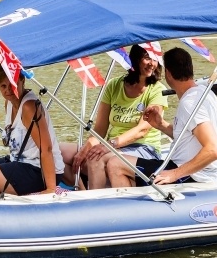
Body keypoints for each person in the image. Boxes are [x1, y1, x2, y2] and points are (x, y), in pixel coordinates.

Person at [104, 47, 217, 187]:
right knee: (124, 167)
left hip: (193, 175)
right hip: (189, 169)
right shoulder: (204, 92)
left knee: (115, 164)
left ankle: (126, 208)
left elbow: (213, 150)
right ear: (191, 69)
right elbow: (188, 136)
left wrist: (175, 174)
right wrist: (161, 125)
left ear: (168, 73)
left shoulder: (189, 102)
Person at [68, 44, 168, 189]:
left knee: (95, 158)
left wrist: (109, 145)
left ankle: (97, 204)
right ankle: (82, 192)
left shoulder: (158, 89)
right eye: (147, 58)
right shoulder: (114, 85)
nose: (152, 64)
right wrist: (85, 148)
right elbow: (100, 129)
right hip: (113, 146)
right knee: (61, 153)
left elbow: (142, 130)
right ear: (136, 58)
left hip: (144, 148)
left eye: (155, 59)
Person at [0, 64, 70, 196]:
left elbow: (46, 148)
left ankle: (6, 212)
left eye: (12, 85)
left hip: (38, 170)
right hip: (18, 161)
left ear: (22, 81)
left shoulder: (29, 107)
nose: (8, 91)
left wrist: (51, 189)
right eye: (3, 86)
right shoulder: (9, 103)